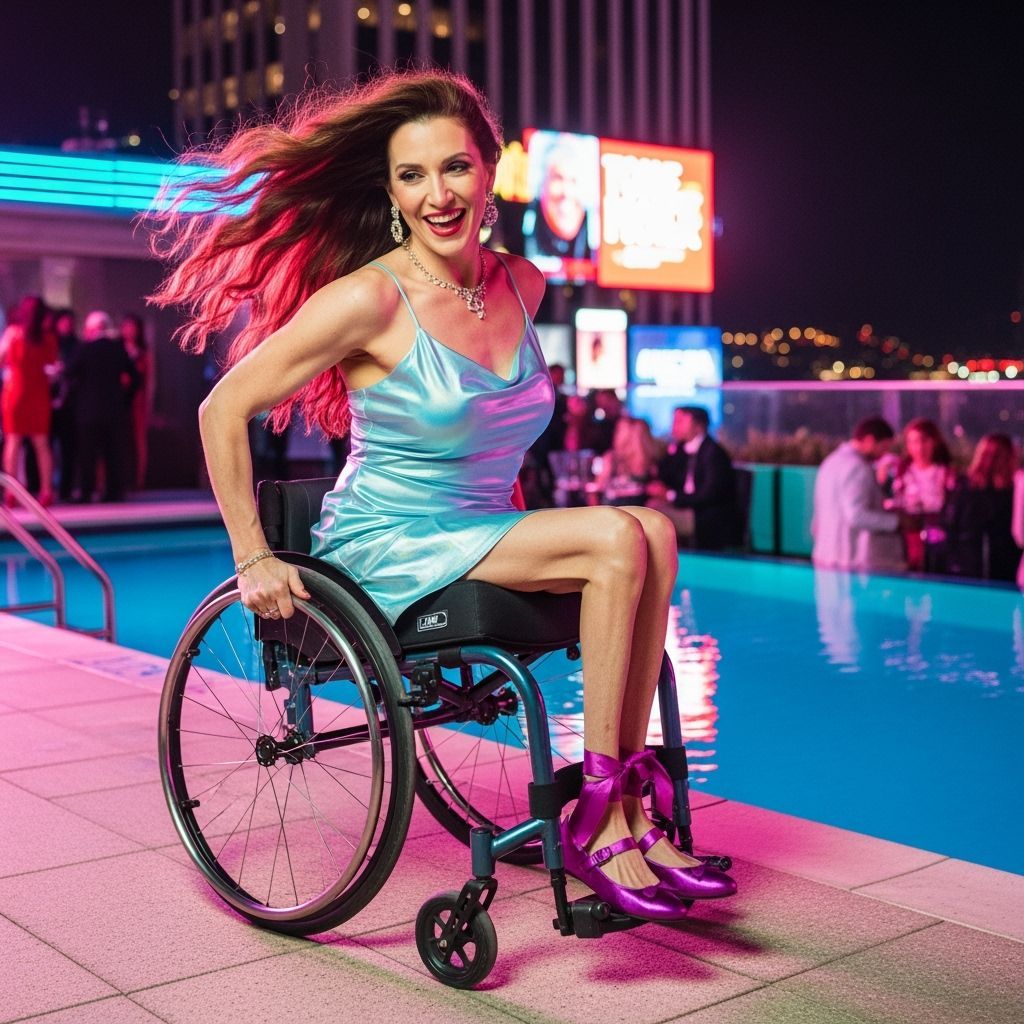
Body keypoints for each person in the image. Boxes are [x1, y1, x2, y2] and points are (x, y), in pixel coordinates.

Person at [150, 69, 734, 919]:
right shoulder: (369, 300)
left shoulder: (522, 285)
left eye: (454, 168)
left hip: (483, 528)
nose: (437, 194)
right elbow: (222, 408)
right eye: (412, 175)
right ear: (389, 190)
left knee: (653, 530)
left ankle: (630, 807)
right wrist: (253, 553)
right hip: (388, 543)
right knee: (617, 536)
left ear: (489, 171)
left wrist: (540, 531)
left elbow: (497, 443)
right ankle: (603, 817)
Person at [810, 417, 903, 573]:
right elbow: (856, 516)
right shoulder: (858, 467)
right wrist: (897, 522)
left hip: (824, 555)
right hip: (847, 558)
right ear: (869, 440)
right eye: (884, 447)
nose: (884, 454)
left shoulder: (830, 462)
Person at [66, 311, 140, 502]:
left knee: (87, 454)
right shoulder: (117, 349)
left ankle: (86, 492)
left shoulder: (84, 349)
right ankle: (113, 492)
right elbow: (135, 378)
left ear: (92, 329)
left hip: (87, 411)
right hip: (114, 410)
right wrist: (125, 399)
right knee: (113, 453)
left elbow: (68, 373)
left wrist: (77, 396)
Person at [649, 405, 737, 549]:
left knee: (654, 515)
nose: (674, 426)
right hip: (687, 508)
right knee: (651, 506)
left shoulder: (714, 453)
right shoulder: (680, 449)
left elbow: (709, 494)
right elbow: (664, 474)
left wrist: (671, 496)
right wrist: (672, 449)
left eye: (680, 421)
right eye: (674, 421)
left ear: (698, 426)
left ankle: (664, 562)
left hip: (706, 516)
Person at [0, 295, 58, 506]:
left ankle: (12, 492)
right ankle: (46, 490)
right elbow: (51, 366)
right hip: (39, 393)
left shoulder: (13, 334)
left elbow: (1, 359)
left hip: (15, 392)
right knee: (41, 444)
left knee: (13, 441)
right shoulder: (48, 338)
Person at [946, 433, 1021, 581]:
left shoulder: (964, 484)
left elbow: (952, 522)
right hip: (1002, 560)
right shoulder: (1014, 489)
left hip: (969, 558)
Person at [891, 417, 957, 571]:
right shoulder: (901, 472)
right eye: (912, 442)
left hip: (938, 538)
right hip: (908, 539)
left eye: (923, 441)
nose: (919, 447)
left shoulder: (945, 473)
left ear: (934, 442)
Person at [594, 415, 661, 507]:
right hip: (637, 513)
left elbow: (597, 489)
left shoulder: (654, 465)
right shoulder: (654, 462)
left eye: (618, 431)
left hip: (618, 512)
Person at [120, 313, 152, 491]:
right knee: (120, 440)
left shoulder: (143, 352)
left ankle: (139, 480)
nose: (129, 330)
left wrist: (148, 403)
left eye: (132, 327)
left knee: (139, 440)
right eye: (126, 326)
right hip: (120, 400)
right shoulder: (118, 349)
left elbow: (149, 380)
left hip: (138, 401)